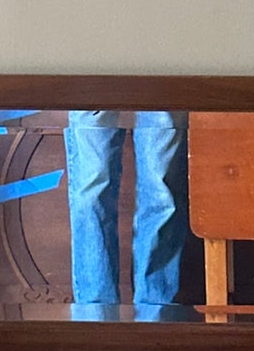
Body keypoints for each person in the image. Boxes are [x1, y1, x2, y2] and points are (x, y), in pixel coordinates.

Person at [63, 109, 189, 309]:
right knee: (91, 191)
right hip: (92, 80)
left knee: (162, 195)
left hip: (161, 80)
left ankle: (156, 312)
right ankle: (95, 315)